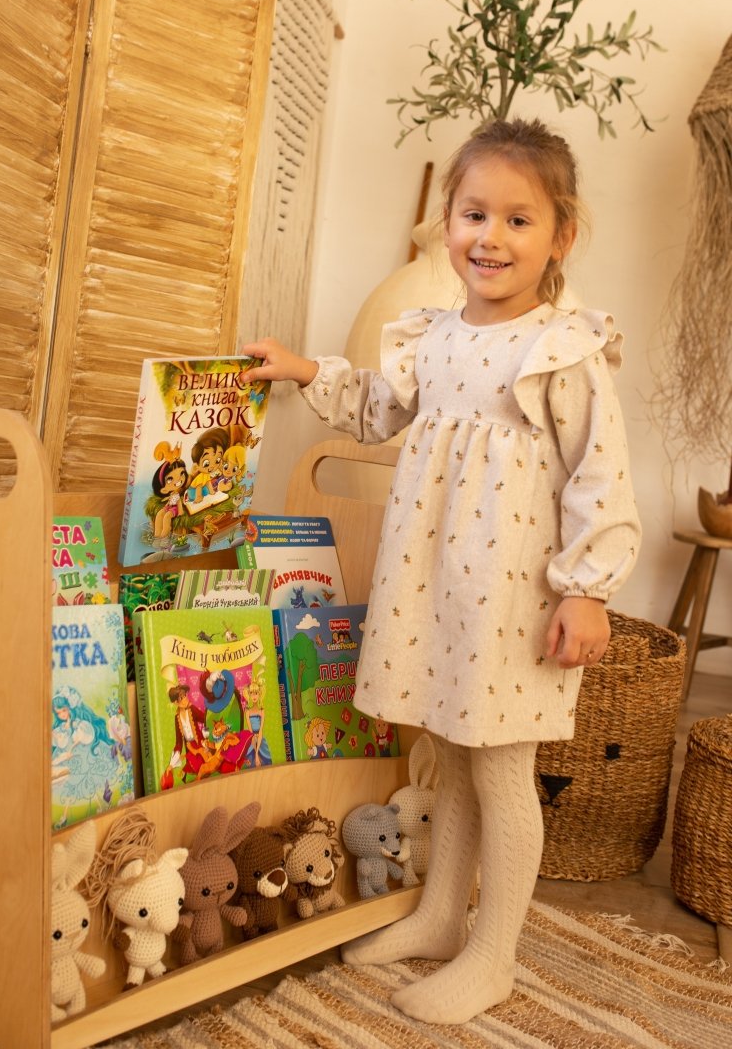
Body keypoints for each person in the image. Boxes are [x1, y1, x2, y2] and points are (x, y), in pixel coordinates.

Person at [240, 117, 642, 1025]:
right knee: (452, 756)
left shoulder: (560, 349)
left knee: (499, 766)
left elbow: (602, 477)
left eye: (517, 220)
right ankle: (436, 914)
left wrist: (587, 588)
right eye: (473, 215)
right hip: (442, 589)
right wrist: (306, 369)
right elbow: (380, 409)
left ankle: (493, 952)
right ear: (447, 224)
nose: (489, 238)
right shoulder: (432, 334)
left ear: (560, 236)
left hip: (515, 596)